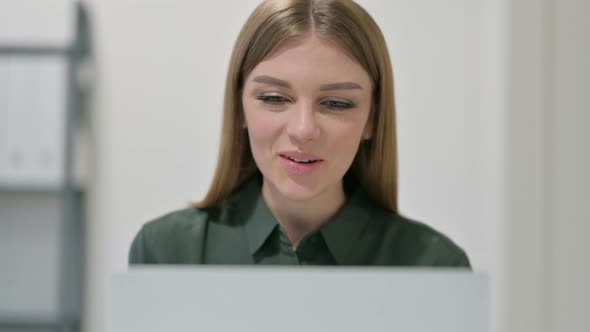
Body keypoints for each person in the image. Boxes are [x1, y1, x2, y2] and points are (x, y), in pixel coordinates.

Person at [129, 0, 470, 267]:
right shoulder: (166, 252)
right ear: (239, 108)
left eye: (336, 103)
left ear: (373, 118)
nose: (304, 129)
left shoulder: (435, 266)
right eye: (275, 98)